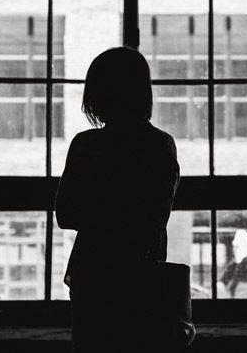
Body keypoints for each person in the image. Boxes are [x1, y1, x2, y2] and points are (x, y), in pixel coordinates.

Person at [55, 47, 182, 352]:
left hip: (94, 275)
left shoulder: (86, 145)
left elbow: (66, 214)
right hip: (142, 276)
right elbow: (155, 215)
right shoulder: (160, 146)